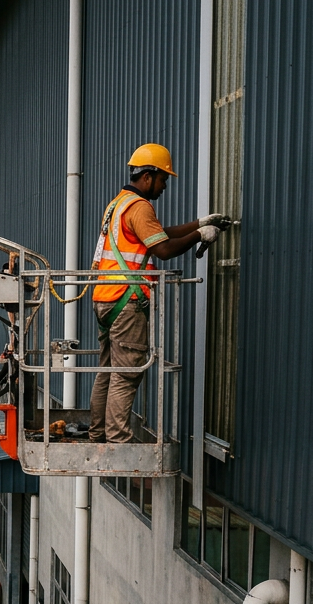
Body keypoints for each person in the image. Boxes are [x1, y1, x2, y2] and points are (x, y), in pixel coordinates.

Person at [88, 143, 231, 443]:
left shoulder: (119, 203)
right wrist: (200, 235)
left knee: (108, 370)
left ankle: (98, 434)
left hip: (106, 298)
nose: (165, 186)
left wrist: (200, 223)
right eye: (163, 179)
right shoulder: (140, 207)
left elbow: (157, 234)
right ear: (148, 176)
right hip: (127, 302)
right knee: (126, 374)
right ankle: (117, 441)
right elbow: (163, 249)